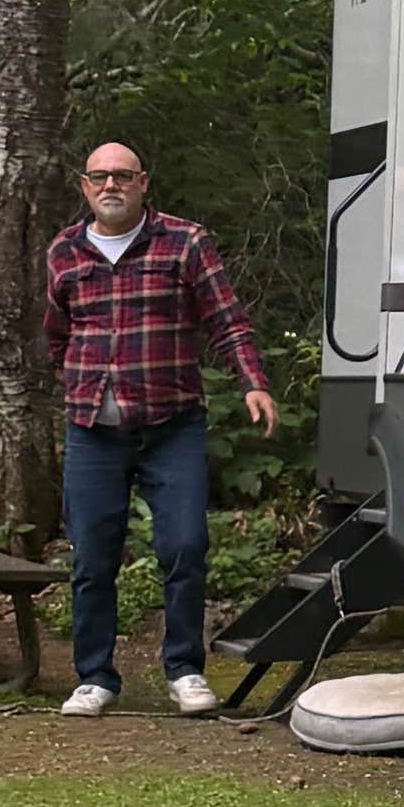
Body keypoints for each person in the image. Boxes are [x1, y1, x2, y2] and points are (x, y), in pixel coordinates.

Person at [43, 141, 275, 715]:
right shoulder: (64, 253)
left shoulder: (184, 242)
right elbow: (55, 335)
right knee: (92, 557)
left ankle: (185, 670)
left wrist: (252, 382)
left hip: (172, 427)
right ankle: (94, 677)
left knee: (185, 546)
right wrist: (79, 384)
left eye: (122, 176)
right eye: (100, 176)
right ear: (84, 186)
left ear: (143, 183)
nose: (111, 185)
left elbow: (227, 321)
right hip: (93, 429)